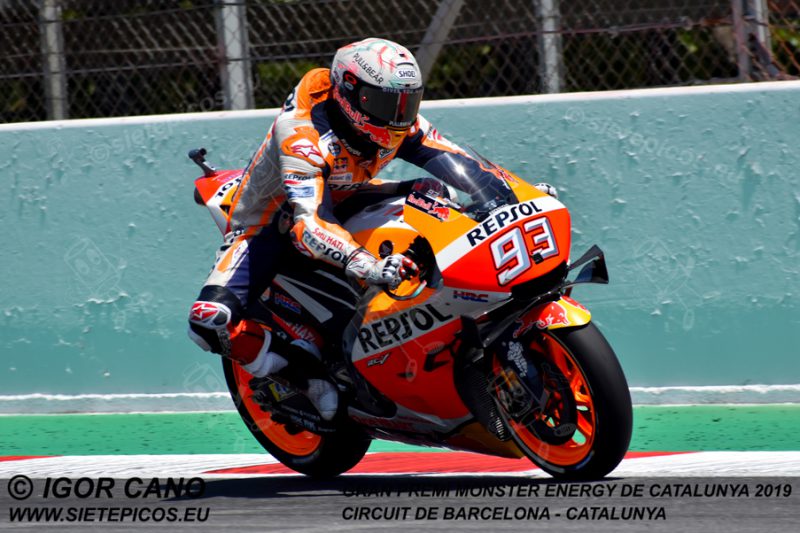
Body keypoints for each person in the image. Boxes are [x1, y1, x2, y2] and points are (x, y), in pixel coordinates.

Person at [187, 37, 555, 421]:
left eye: (406, 103)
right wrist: (367, 265)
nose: (399, 116)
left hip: (349, 197)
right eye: (386, 104)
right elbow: (309, 224)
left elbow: (461, 163)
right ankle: (298, 373)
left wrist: (512, 195)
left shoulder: (396, 122)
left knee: (431, 192)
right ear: (349, 92)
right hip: (270, 223)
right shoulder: (302, 135)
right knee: (208, 320)